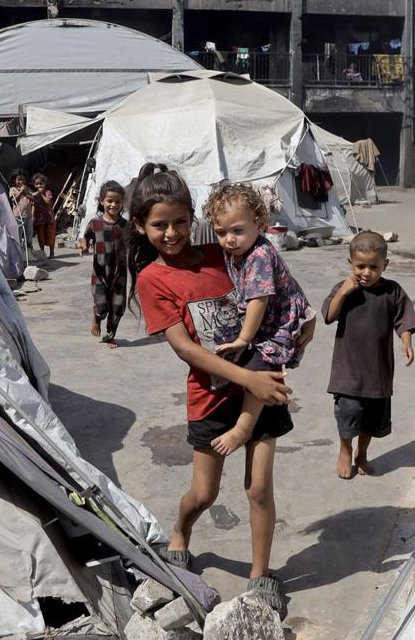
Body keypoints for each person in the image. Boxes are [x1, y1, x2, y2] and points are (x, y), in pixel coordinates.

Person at [127, 162, 293, 612]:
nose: (172, 233)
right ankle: (181, 530)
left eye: (181, 222)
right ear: (140, 226)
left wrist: (303, 324)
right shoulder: (152, 279)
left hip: (260, 389)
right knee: (204, 494)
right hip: (212, 396)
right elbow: (186, 349)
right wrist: (247, 377)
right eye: (159, 225)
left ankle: (260, 575)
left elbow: (271, 285)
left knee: (259, 488)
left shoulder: (224, 253)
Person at [203, 181, 316, 456]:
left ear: (259, 223)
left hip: (278, 320)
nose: (229, 239)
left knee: (261, 363)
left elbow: (259, 300)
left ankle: (244, 427)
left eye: (238, 231)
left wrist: (244, 339)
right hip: (270, 316)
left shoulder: (259, 255)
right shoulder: (235, 250)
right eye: (221, 232)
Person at [322, 232, 415, 479]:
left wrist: (406, 340)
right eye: (360, 266)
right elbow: (328, 316)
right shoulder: (344, 289)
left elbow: (404, 320)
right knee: (348, 414)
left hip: (378, 373)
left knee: (372, 421)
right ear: (350, 263)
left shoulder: (392, 291)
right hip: (348, 372)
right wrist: (343, 292)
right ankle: (345, 449)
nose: (366, 272)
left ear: (384, 265)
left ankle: (361, 453)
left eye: (373, 267)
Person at [78, 181, 128, 348]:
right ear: (101, 201)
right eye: (109, 201)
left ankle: (110, 336)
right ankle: (97, 317)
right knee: (102, 306)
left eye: (117, 201)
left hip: (119, 273)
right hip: (99, 272)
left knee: (118, 306)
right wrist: (84, 245)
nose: (113, 205)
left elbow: (136, 240)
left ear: (122, 203)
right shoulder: (95, 223)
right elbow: (85, 237)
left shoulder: (125, 225)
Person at [31, 173, 57, 259]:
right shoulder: (35, 194)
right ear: (34, 185)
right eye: (37, 184)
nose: (39, 185)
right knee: (41, 236)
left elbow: (47, 202)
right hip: (39, 219)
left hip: (49, 218)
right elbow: (34, 205)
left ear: (44, 183)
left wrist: (41, 194)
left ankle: (52, 253)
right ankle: (43, 253)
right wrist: (32, 216)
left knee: (50, 235)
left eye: (41, 183)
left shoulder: (47, 192)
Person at [9, 170, 35, 251]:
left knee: (29, 234)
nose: (21, 181)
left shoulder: (27, 189)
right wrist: (21, 191)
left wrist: (26, 191)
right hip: (18, 216)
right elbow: (14, 200)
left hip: (28, 216)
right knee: (18, 235)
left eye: (23, 179)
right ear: (15, 180)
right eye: (19, 179)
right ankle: (19, 253)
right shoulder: (12, 189)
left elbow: (33, 198)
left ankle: (29, 251)